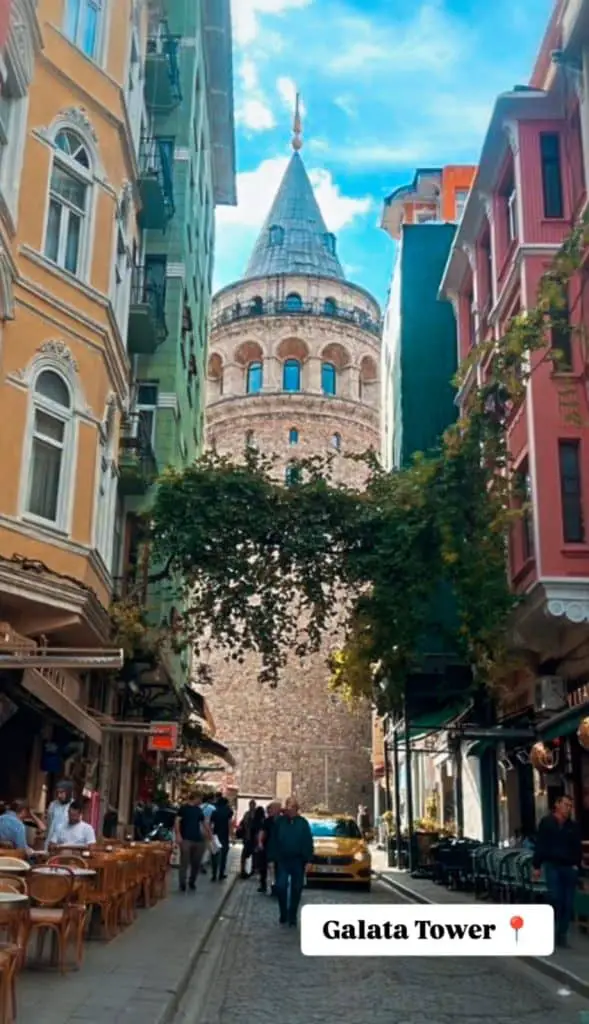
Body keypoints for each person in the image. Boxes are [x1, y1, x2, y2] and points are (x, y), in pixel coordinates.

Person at [533, 794, 582, 947]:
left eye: (570, 806)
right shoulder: (547, 823)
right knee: (556, 897)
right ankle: (552, 928)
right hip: (552, 865)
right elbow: (540, 844)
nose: (568, 808)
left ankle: (562, 934)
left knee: (568, 902)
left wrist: (576, 866)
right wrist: (537, 865)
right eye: (566, 805)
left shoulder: (572, 826)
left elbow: (577, 847)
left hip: (569, 867)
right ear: (557, 805)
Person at [273, 796, 313, 927]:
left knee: (296, 888)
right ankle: (283, 912)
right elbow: (273, 840)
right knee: (280, 886)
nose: (290, 810)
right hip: (283, 860)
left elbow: (308, 842)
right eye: (289, 807)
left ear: (296, 809)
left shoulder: (302, 823)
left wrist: (308, 860)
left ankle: (292, 915)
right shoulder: (280, 822)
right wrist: (270, 859)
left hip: (297, 860)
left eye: (293, 808)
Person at [175, 791, 211, 892]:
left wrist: (209, 833)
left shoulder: (199, 810)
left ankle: (192, 881)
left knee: (196, 863)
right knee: (184, 862)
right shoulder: (184, 808)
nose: (201, 801)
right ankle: (182, 883)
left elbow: (203, 822)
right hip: (186, 838)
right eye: (200, 799)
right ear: (195, 798)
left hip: (198, 839)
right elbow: (177, 821)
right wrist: (178, 834)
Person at [210, 793, 234, 881]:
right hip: (224, 835)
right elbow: (230, 823)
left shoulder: (214, 811)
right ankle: (221, 874)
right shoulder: (228, 811)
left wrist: (211, 834)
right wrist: (232, 835)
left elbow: (211, 824)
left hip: (215, 835)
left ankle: (214, 874)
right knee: (224, 855)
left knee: (214, 854)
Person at [260, 800, 281, 895]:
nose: (271, 810)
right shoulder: (268, 821)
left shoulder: (283, 820)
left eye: (273, 808)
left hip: (280, 850)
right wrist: (260, 842)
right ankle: (273, 886)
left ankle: (277, 886)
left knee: (279, 870)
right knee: (271, 868)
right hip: (270, 848)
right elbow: (262, 831)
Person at [45, 780, 74, 849]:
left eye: (61, 792)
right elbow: (49, 824)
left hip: (66, 844)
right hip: (51, 843)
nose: (59, 795)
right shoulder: (53, 805)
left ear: (68, 792)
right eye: (57, 792)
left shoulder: (74, 806)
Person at [238, 799, 257, 879]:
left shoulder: (254, 814)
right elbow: (243, 824)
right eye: (250, 804)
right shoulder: (247, 814)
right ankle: (243, 870)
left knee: (252, 855)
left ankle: (250, 870)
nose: (251, 806)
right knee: (245, 855)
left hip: (252, 838)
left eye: (252, 805)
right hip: (248, 838)